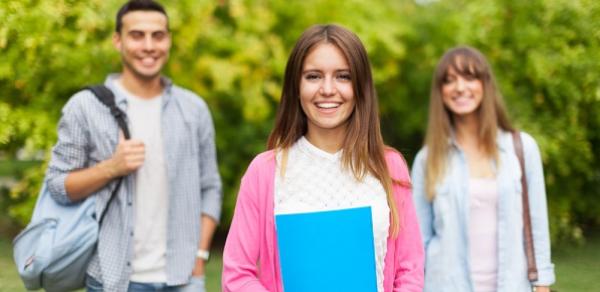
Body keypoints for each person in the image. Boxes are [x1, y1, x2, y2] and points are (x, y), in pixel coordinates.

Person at [222, 24, 424, 292]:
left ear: (360, 87)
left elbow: (410, 271)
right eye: (314, 76)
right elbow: (237, 274)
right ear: (296, 86)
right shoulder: (265, 171)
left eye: (343, 76)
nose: (328, 89)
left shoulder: (389, 167)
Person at [45, 0, 222, 291]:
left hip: (184, 277)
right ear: (118, 40)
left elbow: (210, 186)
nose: (149, 45)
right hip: (112, 277)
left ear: (169, 40)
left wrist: (200, 255)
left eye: (158, 35)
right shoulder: (85, 107)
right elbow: (57, 186)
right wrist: (110, 168)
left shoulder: (193, 109)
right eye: (137, 35)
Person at [411, 46, 555, 291]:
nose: (460, 87)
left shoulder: (522, 149)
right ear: (441, 92)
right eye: (449, 80)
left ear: (485, 84)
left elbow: (538, 229)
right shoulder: (427, 159)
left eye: (469, 77)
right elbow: (417, 245)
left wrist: (542, 284)